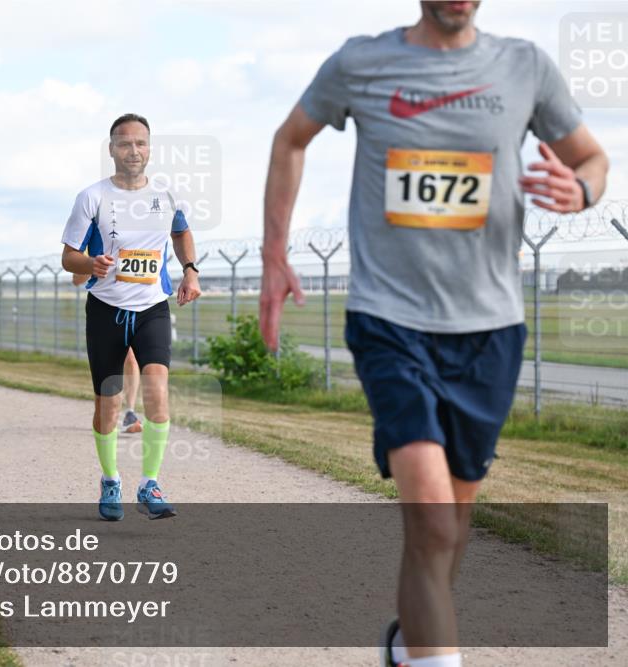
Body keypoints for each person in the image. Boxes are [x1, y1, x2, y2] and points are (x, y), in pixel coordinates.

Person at [259, 2, 609, 666]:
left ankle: (410, 639)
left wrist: (581, 191)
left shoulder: (525, 66)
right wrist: (275, 253)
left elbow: (592, 158)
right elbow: (290, 138)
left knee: (450, 527)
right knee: (433, 520)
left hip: (490, 330)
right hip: (390, 320)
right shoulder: (361, 62)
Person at [61, 113, 201, 522]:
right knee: (108, 403)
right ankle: (110, 479)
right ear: (111, 150)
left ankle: (149, 483)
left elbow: (181, 231)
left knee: (158, 388)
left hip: (152, 306)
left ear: (150, 149)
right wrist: (92, 263)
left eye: (140, 143)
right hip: (106, 309)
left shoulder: (167, 194)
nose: (133, 151)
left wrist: (190, 269)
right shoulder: (92, 197)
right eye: (125, 143)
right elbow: (69, 258)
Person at [72, 272, 143, 433]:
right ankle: (105, 410)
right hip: (106, 308)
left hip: (136, 305)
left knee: (131, 359)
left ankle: (130, 414)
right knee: (107, 367)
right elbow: (77, 280)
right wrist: (94, 265)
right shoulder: (91, 247)